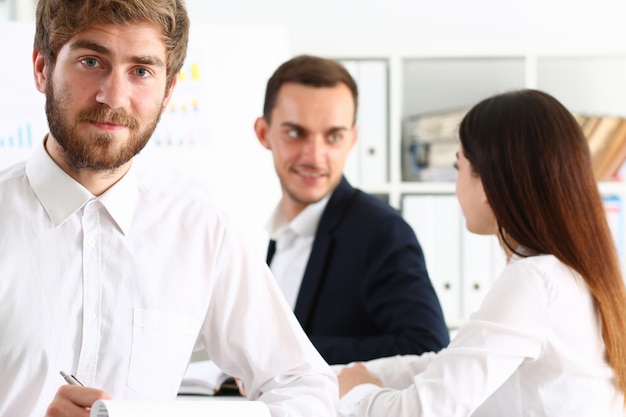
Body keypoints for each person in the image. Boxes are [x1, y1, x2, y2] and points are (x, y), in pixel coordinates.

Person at [0, 1, 338, 417]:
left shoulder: (204, 236)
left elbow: (306, 388)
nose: (114, 96)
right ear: (42, 69)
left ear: (168, 92)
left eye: (141, 71)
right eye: (91, 61)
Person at [336, 89, 626, 416]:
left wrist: (356, 389)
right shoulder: (570, 275)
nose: (455, 184)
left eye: (458, 166)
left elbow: (419, 412)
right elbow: (454, 364)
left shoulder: (535, 281)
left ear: (486, 184)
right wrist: (359, 373)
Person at [253, 55, 449, 365]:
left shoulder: (380, 230)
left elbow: (427, 347)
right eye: (295, 133)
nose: (315, 156)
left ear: (352, 139)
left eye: (333, 136)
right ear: (263, 133)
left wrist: (285, 354)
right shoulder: (277, 233)